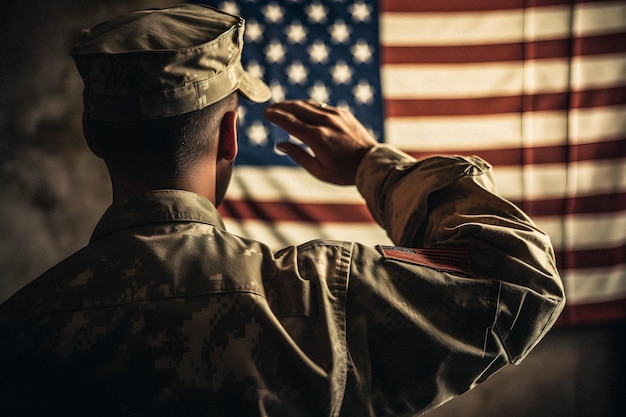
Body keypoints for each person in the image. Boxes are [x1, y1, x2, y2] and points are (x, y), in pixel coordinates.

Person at [0, 4, 565, 417]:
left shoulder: (21, 332)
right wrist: (373, 166)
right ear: (230, 137)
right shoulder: (316, 302)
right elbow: (522, 279)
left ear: (92, 134)